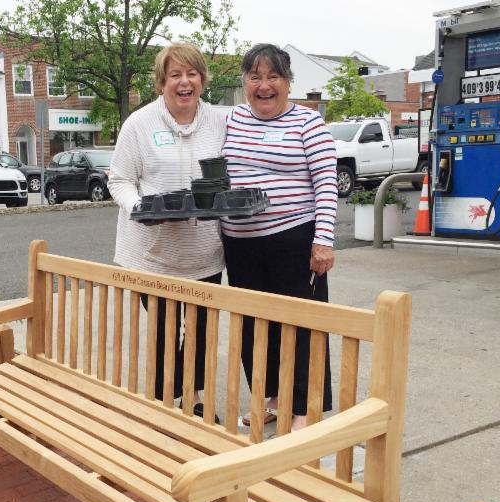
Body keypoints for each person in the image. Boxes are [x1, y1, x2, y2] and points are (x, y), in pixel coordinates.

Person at [221, 43, 338, 431]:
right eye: (255, 77)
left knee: (301, 325)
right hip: (240, 243)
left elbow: (326, 185)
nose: (264, 85)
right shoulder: (233, 119)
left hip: (294, 240)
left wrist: (323, 240)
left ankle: (305, 408)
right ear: (244, 83)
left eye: (273, 76)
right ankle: (269, 399)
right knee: (255, 327)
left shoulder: (309, 124)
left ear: (288, 82)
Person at [108, 43, 226, 414]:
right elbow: (120, 180)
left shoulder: (221, 121)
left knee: (201, 333)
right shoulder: (140, 124)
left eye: (191, 73)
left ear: (203, 80)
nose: (184, 82)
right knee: (164, 332)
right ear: (161, 83)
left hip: (205, 254)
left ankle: (194, 399)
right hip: (152, 255)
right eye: (175, 75)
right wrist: (139, 206)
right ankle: (163, 405)